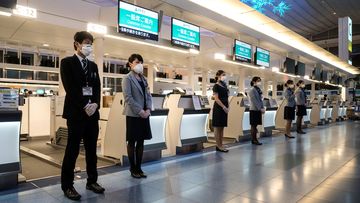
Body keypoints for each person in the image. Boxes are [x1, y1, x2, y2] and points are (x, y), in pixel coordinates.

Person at [60, 31, 104, 201]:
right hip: (76, 113)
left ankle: (92, 181)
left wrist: (95, 104)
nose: (89, 46)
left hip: (92, 115)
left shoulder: (93, 66)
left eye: (91, 43)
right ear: (77, 44)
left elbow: (97, 88)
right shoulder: (67, 63)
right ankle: (67, 185)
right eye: (86, 43)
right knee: (72, 150)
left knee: (92, 149)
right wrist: (85, 105)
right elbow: (70, 88)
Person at [122, 54, 152, 179]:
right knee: (132, 141)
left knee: (141, 141)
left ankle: (139, 168)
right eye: (136, 62)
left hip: (145, 114)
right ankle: (132, 168)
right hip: (134, 114)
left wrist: (149, 109)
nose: (139, 64)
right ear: (130, 64)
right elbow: (128, 97)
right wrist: (140, 111)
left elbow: (148, 95)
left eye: (141, 62)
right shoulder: (127, 78)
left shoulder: (143, 79)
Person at [212, 70, 229, 153]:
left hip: (225, 108)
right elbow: (216, 99)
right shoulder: (216, 86)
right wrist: (223, 107)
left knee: (222, 127)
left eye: (225, 75)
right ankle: (218, 145)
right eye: (223, 75)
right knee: (217, 127)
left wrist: (228, 107)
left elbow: (226, 97)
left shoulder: (224, 86)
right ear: (218, 76)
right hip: (219, 108)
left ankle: (221, 144)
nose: (224, 76)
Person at [248, 76, 264, 145]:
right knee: (253, 125)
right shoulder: (252, 90)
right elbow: (254, 100)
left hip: (257, 110)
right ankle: (254, 139)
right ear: (254, 81)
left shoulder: (258, 89)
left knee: (255, 125)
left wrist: (262, 107)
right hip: (254, 109)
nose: (259, 82)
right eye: (258, 81)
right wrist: (260, 108)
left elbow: (260, 100)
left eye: (260, 80)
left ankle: (255, 139)